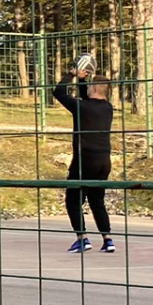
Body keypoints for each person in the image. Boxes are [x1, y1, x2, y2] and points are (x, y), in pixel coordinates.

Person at [52, 57, 114, 254]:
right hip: (104, 161)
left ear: (93, 88)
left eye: (88, 86)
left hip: (85, 160)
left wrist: (71, 74)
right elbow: (87, 97)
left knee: (73, 200)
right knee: (97, 201)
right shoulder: (108, 108)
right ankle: (108, 240)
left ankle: (82, 238)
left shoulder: (81, 107)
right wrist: (81, 79)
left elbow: (58, 92)